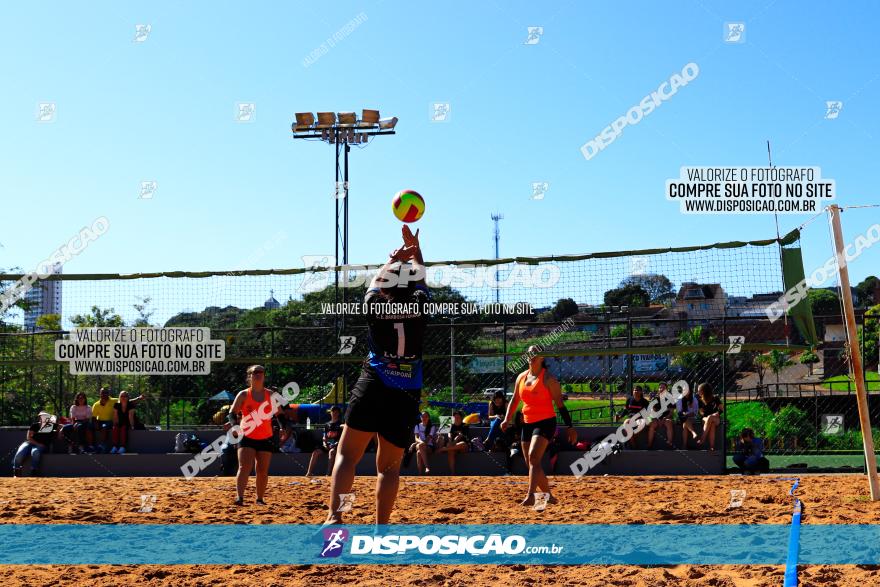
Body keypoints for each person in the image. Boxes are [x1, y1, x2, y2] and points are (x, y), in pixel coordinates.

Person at [325, 225, 430, 525]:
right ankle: (381, 528)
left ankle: (337, 517)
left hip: (374, 380)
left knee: (347, 457)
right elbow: (420, 275)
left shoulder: (374, 304)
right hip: (406, 388)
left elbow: (375, 282)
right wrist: (415, 250)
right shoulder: (421, 305)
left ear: (386, 286)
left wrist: (394, 258)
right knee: (389, 468)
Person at [502, 345, 573, 506]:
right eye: (530, 352)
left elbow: (560, 404)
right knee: (531, 463)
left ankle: (531, 495)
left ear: (542, 358)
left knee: (534, 458)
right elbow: (514, 400)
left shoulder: (549, 379)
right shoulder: (521, 377)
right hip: (527, 422)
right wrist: (507, 419)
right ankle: (549, 496)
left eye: (536, 353)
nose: (532, 355)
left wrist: (570, 426)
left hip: (546, 421)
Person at [229, 365, 281, 505]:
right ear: (249, 376)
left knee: (262, 470)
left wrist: (284, 428)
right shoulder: (244, 394)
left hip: (266, 437)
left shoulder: (270, 395)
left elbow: (280, 414)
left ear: (264, 376)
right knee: (244, 467)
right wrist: (234, 426)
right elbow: (232, 413)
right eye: (255, 372)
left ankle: (260, 499)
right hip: (246, 435)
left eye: (261, 372)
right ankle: (239, 497)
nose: (258, 374)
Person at [91, 387, 145, 453]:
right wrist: (96, 425)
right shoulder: (96, 404)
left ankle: (119, 447)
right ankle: (112, 446)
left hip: (112, 422)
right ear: (100, 394)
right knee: (112, 427)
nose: (104, 394)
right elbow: (94, 417)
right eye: (103, 393)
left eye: (106, 393)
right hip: (102, 422)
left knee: (120, 427)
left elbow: (128, 403)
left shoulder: (114, 401)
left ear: (108, 394)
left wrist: (138, 398)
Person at [13, 411, 58, 477]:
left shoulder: (51, 426)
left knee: (35, 452)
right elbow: (29, 437)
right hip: (30, 443)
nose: (42, 418)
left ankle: (34, 471)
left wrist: (55, 424)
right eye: (41, 417)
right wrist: (37, 444)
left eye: (44, 417)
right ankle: (16, 471)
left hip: (41, 445)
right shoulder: (34, 425)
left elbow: (61, 426)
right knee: (20, 453)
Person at [307, 406, 344, 476]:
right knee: (315, 452)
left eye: (336, 412)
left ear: (338, 413)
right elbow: (324, 437)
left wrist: (334, 445)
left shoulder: (340, 424)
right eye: (333, 412)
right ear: (330, 413)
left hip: (336, 446)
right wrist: (324, 444)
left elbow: (342, 437)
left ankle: (328, 473)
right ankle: (309, 472)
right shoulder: (327, 424)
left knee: (331, 452)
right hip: (327, 445)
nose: (334, 413)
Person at [437, 410, 469, 474]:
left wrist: (452, 443)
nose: (456, 419)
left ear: (461, 418)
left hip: (463, 447)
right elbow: (449, 435)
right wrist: (450, 442)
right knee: (451, 451)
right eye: (455, 418)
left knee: (462, 444)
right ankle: (453, 473)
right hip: (453, 446)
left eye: (458, 418)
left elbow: (459, 436)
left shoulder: (465, 425)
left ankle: (443, 449)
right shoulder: (450, 424)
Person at [646, 382, 676, 450]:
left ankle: (669, 444)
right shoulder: (655, 399)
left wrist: (664, 418)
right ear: (658, 389)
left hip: (667, 418)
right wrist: (658, 419)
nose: (661, 389)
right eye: (660, 388)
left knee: (669, 423)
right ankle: (649, 445)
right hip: (657, 418)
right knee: (652, 424)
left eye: (663, 388)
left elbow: (671, 413)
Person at [697, 383, 723, 452]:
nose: (698, 392)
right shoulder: (700, 400)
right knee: (711, 421)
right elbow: (701, 412)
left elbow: (722, 409)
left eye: (699, 390)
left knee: (711, 418)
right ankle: (712, 446)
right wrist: (707, 415)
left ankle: (703, 438)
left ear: (704, 391)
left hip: (715, 418)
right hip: (705, 418)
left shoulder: (715, 398)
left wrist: (717, 413)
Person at [676, 382, 700, 449]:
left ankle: (684, 445)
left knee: (685, 424)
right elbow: (679, 411)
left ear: (690, 390)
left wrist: (687, 414)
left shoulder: (694, 399)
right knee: (684, 418)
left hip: (691, 417)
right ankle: (693, 433)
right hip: (681, 417)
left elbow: (695, 412)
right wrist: (685, 414)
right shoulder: (679, 399)